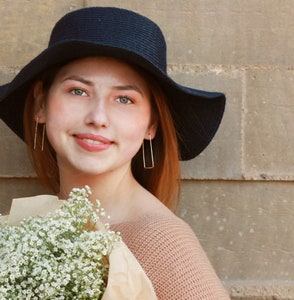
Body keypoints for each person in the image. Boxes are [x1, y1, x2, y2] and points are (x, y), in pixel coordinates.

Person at [0, 6, 229, 299]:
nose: (98, 117)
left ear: (152, 124)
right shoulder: (25, 230)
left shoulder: (162, 242)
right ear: (41, 105)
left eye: (124, 99)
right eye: (78, 91)